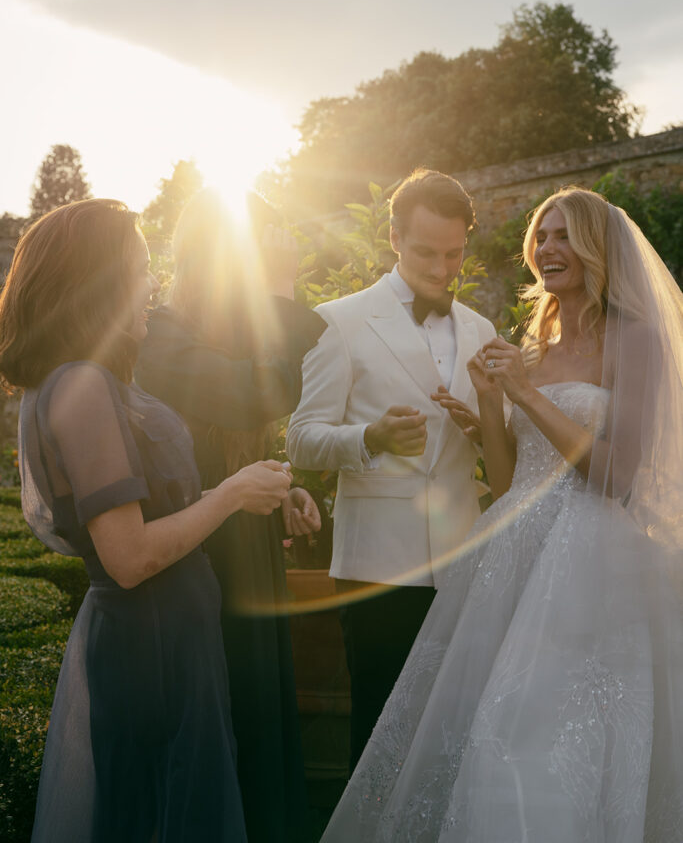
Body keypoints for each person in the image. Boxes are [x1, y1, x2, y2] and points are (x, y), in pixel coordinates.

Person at [320, 187, 683, 842]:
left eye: (565, 235)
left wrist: (523, 395)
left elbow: (615, 475)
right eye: (541, 236)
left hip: (590, 566)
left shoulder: (636, 342)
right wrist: (490, 406)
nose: (547, 248)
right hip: (510, 557)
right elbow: (513, 477)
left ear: (599, 249)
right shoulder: (533, 349)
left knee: (553, 734)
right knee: (490, 732)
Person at [0, 199, 293, 843]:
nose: (151, 283)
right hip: (151, 644)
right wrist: (231, 495)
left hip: (173, 637)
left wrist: (248, 484)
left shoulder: (93, 380)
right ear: (100, 280)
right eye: (139, 267)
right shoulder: (80, 385)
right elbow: (128, 558)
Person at [286, 168, 496, 770]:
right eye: (427, 251)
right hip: (377, 565)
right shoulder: (338, 320)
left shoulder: (480, 329)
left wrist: (483, 431)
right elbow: (301, 440)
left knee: (457, 731)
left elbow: (496, 448)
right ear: (395, 238)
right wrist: (370, 437)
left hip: (463, 559)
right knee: (381, 737)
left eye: (454, 254)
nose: (441, 267)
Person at [135, 189, 326, 843]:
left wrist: (285, 490)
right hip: (198, 558)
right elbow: (248, 395)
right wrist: (279, 285)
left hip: (249, 547)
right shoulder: (160, 333)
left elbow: (241, 435)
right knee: (221, 717)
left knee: (260, 712)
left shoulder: (216, 334)